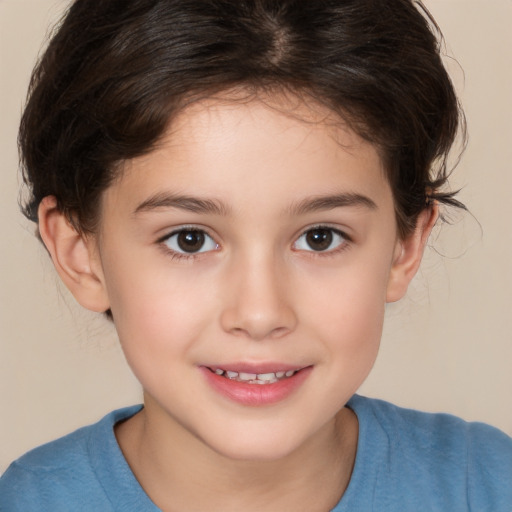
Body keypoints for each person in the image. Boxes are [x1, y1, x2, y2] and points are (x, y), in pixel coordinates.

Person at [1, 0, 511, 510]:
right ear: (80, 253)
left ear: (405, 247)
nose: (261, 314)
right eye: (189, 239)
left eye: (320, 237)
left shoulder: (487, 487)